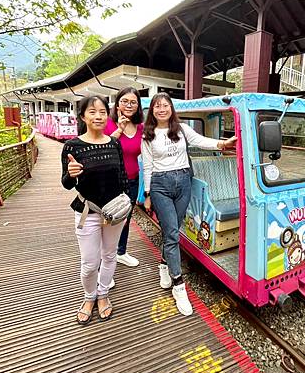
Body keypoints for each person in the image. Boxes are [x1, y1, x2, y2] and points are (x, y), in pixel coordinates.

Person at [142, 93, 237, 316]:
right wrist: (147, 194)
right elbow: (147, 166)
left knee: (173, 230)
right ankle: (178, 285)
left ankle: (164, 265)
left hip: (184, 182)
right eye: (157, 106)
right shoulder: (148, 135)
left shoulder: (182, 129)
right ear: (152, 111)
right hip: (160, 185)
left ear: (171, 109)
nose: (161, 109)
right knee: (173, 233)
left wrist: (223, 143)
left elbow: (200, 141)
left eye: (165, 105)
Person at [61, 95, 129, 325]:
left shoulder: (114, 143)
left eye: (102, 111)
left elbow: (122, 176)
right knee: (89, 263)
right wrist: (71, 174)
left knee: (110, 256)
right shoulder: (72, 146)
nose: (98, 116)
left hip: (115, 213)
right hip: (87, 212)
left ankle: (103, 295)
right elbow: (66, 184)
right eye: (92, 111)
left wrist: (126, 205)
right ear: (82, 116)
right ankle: (88, 297)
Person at [104, 87, 144, 269]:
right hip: (111, 180)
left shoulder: (141, 127)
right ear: (117, 103)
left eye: (133, 102)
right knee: (108, 220)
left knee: (126, 218)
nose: (129, 105)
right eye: (125, 101)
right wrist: (119, 130)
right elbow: (103, 149)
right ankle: (105, 259)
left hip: (133, 179)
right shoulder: (108, 124)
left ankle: (121, 252)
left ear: (138, 106)